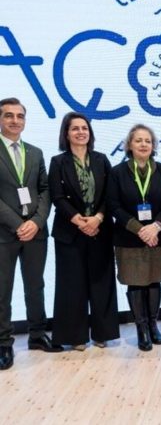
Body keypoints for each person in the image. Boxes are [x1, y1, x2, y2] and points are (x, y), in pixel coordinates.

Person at [0, 97, 62, 371]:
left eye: (20, 116)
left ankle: (37, 334)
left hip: (35, 232)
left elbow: (45, 189)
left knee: (35, 285)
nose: (15, 120)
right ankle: (4, 342)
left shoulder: (35, 152)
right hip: (4, 233)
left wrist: (36, 222)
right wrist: (17, 224)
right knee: (3, 289)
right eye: (9, 115)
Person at [49, 112, 119, 350]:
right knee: (72, 285)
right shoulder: (58, 162)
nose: (81, 132)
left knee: (102, 282)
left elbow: (110, 194)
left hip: (100, 229)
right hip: (70, 231)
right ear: (66, 134)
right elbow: (57, 196)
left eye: (84, 128)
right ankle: (75, 337)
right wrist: (78, 220)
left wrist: (97, 218)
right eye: (75, 128)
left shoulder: (101, 160)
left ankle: (102, 334)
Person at [108, 124, 161, 351]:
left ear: (153, 145)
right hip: (129, 237)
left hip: (159, 235)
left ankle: (153, 325)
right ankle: (141, 328)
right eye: (138, 140)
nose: (143, 144)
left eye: (148, 140)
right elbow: (114, 206)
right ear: (129, 145)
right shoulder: (117, 172)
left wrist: (156, 226)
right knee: (135, 281)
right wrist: (140, 229)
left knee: (154, 279)